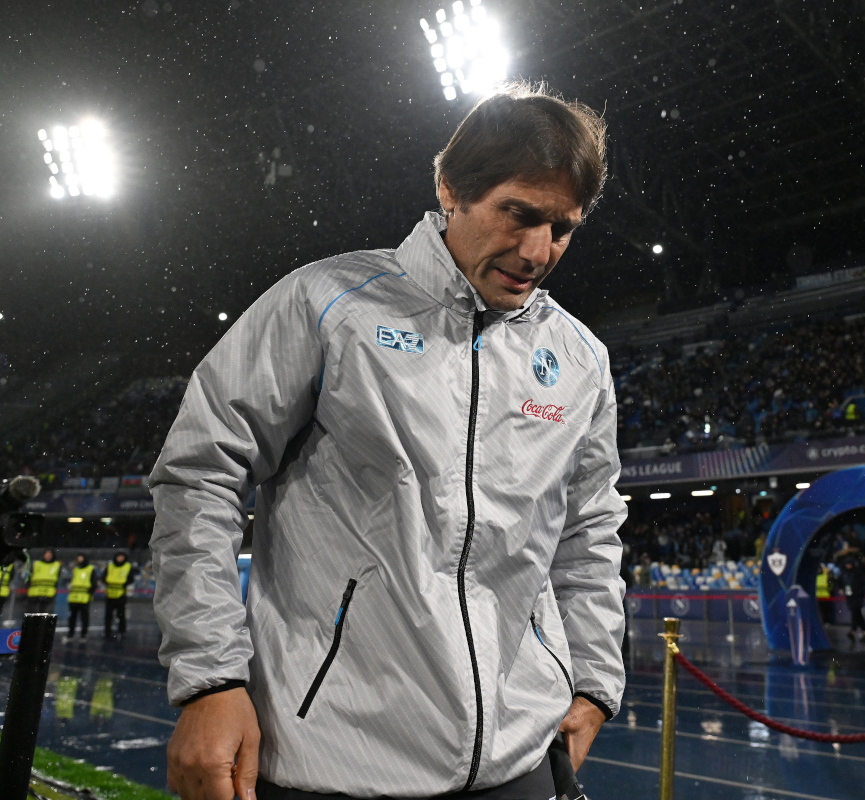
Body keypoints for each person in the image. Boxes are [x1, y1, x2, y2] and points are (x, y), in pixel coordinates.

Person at [151, 83, 626, 800]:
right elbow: (199, 473)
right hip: (331, 758)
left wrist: (591, 681)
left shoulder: (581, 359)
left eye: (562, 228)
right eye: (518, 214)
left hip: (519, 760)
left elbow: (589, 529)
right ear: (450, 189)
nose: (537, 251)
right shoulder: (325, 305)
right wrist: (211, 679)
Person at [837, 547, 865, 643]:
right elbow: (838, 582)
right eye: (847, 564)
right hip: (849, 596)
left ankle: (853, 631)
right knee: (856, 613)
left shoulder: (858, 573)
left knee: (856, 612)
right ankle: (863, 632)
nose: (848, 566)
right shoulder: (844, 574)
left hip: (858, 595)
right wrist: (840, 589)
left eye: (850, 564)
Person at [103, 552, 136, 640]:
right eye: (118, 557)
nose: (120, 558)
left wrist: (123, 584)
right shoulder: (110, 566)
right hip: (110, 593)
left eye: (121, 557)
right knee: (108, 614)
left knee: (121, 614)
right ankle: (107, 631)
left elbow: (131, 578)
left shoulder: (128, 566)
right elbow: (103, 576)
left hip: (121, 594)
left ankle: (122, 630)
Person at [65, 554, 96, 642]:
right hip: (74, 597)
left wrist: (89, 593)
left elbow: (94, 583)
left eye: (81, 558)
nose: (79, 559)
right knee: (72, 617)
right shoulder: (76, 569)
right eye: (78, 558)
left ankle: (83, 634)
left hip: (84, 597)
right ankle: (70, 634)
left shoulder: (90, 569)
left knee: (84, 617)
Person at [27, 549, 62, 615]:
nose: (48, 556)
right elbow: (29, 578)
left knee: (46, 615)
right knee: (32, 614)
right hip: (35, 594)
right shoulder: (36, 564)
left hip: (48, 594)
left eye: (50, 555)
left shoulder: (57, 565)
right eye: (47, 554)